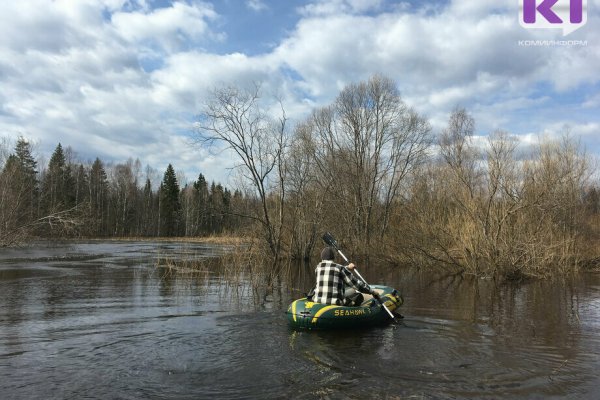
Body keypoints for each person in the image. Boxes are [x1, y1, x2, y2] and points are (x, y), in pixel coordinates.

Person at [311, 246, 380, 306]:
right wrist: (372, 292)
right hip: (336, 303)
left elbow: (332, 271)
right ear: (333, 258)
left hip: (318, 300)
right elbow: (356, 284)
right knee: (358, 296)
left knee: (350, 290)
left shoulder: (318, 268)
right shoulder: (340, 268)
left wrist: (347, 268)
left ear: (322, 258)